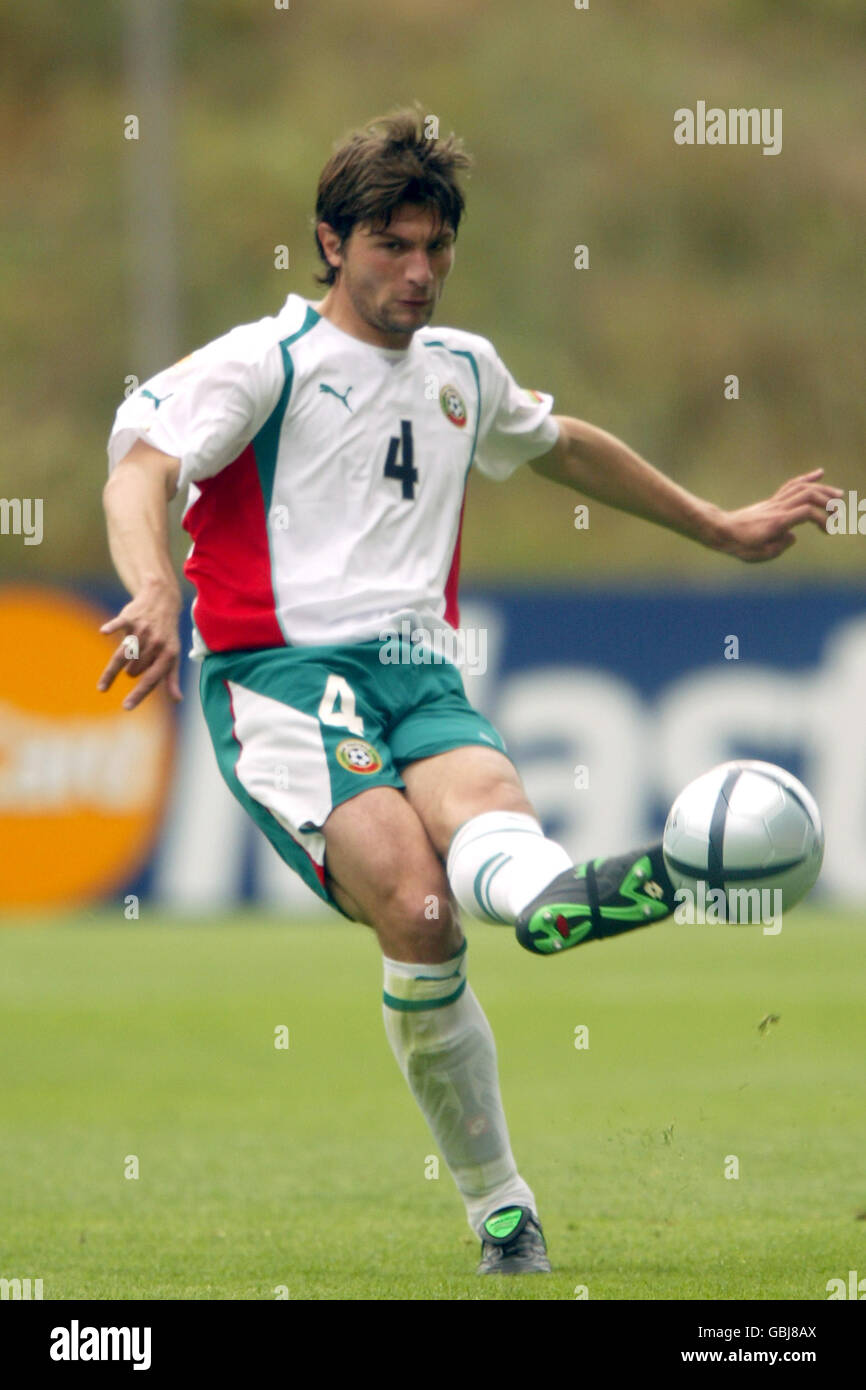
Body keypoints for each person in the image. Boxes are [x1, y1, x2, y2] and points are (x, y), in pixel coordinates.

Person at [99, 108, 840, 1275]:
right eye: (393, 245)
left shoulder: (460, 371)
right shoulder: (263, 362)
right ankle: (500, 1203)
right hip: (285, 682)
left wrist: (717, 522)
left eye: (436, 247)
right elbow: (142, 470)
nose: (419, 271)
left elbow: (563, 444)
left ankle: (604, 891)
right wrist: (152, 591)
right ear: (330, 243)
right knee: (420, 908)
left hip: (419, 673)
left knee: (499, 835)